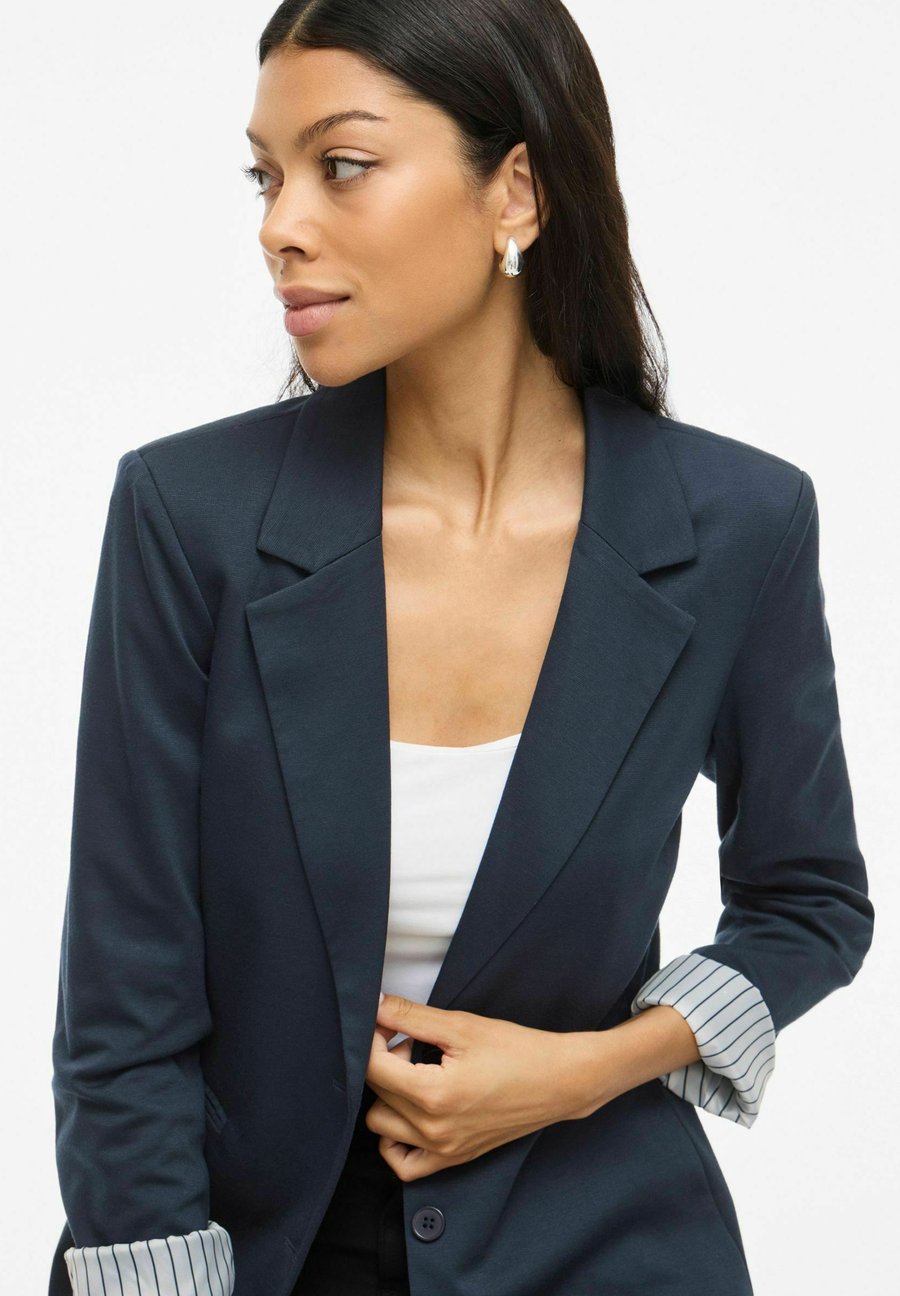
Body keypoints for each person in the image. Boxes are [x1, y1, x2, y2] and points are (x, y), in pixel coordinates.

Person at [50, 2, 875, 1294]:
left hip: (609, 1249)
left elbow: (808, 901)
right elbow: (126, 989)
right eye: (267, 177)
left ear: (518, 190)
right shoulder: (189, 515)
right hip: (261, 1254)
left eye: (343, 164)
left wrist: (582, 1071)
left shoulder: (737, 526)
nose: (280, 225)